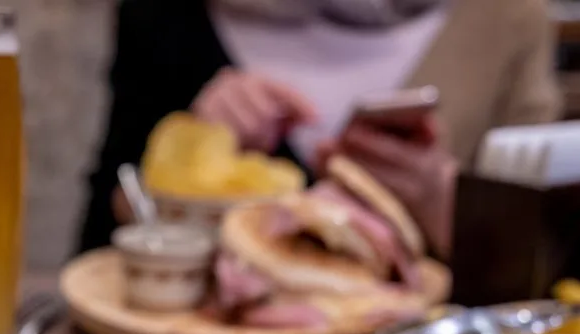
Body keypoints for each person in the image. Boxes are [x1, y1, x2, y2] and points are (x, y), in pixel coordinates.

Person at [78, 0, 560, 258]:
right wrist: (186, 160)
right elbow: (98, 237)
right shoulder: (166, 15)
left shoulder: (509, 18)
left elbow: (555, 262)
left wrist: (453, 208)